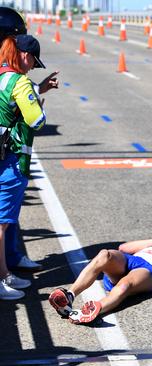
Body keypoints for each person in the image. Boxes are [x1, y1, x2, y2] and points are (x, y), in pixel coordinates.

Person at [0, 34, 58, 300]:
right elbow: (36, 121)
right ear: (24, 55)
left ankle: (5, 274)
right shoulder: (20, 81)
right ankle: (1, 279)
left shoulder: (1, 76)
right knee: (1, 224)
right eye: (33, 62)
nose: (32, 68)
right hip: (10, 159)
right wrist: (37, 105)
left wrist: (38, 90)